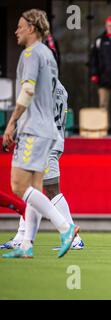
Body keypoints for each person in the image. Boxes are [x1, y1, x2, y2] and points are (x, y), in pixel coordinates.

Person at [2, 9, 79, 259]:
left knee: (19, 185)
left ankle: (67, 229)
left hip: (35, 131)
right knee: (37, 188)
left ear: (32, 29)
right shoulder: (51, 63)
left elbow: (27, 91)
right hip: (52, 133)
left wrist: (12, 123)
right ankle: (26, 243)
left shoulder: (32, 54)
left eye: (20, 26)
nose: (16, 31)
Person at [1, 80, 85, 251]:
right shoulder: (62, 88)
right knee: (32, 189)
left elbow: (35, 114)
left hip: (46, 142)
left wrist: (14, 130)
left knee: (51, 189)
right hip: (55, 139)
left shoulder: (44, 86)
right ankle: (21, 236)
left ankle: (73, 237)